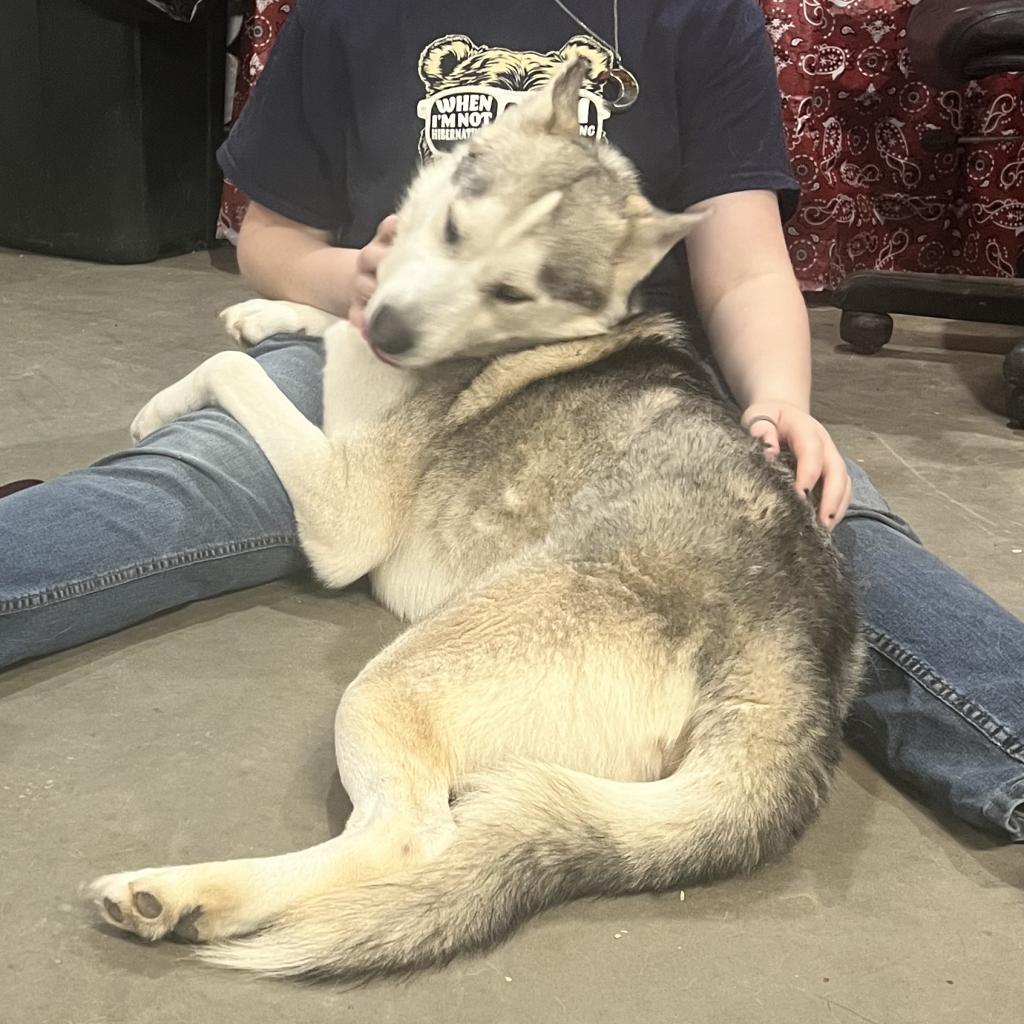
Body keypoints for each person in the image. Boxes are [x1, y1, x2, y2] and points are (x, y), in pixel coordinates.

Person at [1, 0, 1021, 840]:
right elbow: (269, 238)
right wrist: (354, 276)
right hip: (372, 350)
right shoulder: (346, 14)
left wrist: (778, 400)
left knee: (834, 533)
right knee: (180, 486)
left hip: (615, 394)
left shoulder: (697, 17)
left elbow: (746, 261)